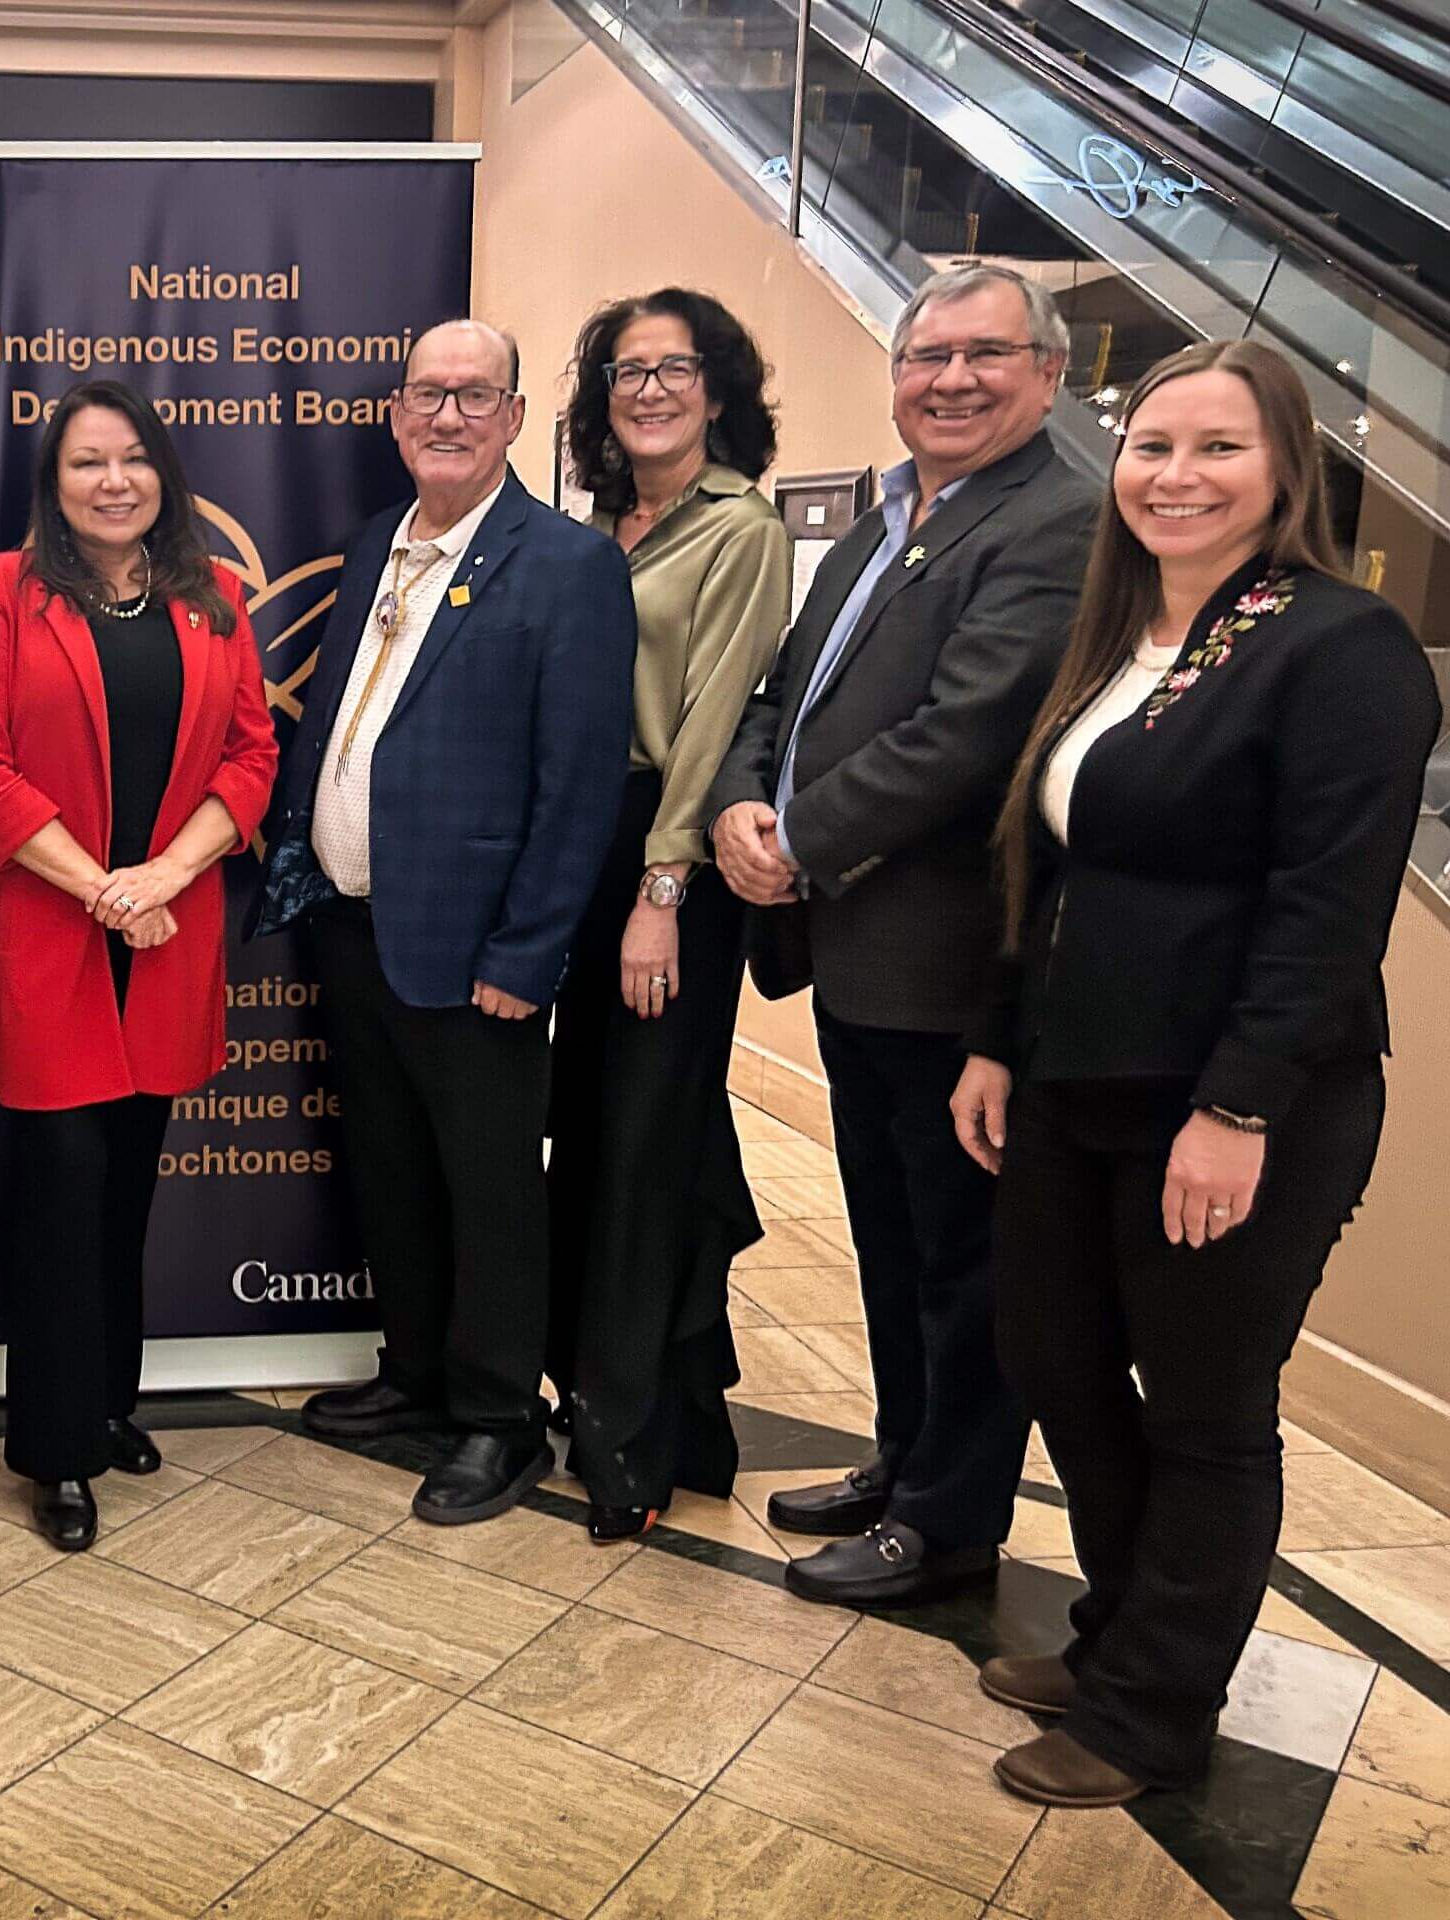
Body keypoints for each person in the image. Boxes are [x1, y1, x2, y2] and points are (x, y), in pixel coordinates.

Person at [950, 341, 1437, 1807]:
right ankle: (1120, 1635)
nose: (1178, 476)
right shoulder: (1117, 637)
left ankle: (1155, 1710)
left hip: (1235, 1104)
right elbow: (1046, 860)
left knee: (1207, 1405)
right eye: (1155, 447)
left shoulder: (1339, 646)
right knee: (1054, 1358)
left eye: (1218, 449)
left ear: (1286, 468)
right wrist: (996, 1035)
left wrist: (1236, 1110)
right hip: (1076, 1078)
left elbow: (1326, 907)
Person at [705, 263, 1099, 1606]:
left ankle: (947, 1519)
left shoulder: (1056, 524)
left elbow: (966, 739)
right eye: (925, 357)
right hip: (859, 953)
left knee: (961, 1257)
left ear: (1050, 372)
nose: (949, 380)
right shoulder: (891, 515)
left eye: (985, 355)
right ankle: (903, 1454)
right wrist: (742, 803)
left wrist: (797, 838)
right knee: (887, 1234)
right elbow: (787, 689)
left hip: (947, 965)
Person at [254, 319, 635, 1526]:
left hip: (478, 956)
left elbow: (578, 785)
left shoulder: (566, 564)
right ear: (395, 412)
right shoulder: (381, 541)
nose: (447, 416)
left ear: (518, 416)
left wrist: (528, 955)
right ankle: (416, 1372)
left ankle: (495, 1418)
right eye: (426, 394)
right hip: (356, 926)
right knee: (392, 1171)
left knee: (486, 1190)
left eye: (475, 395)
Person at [0, 379, 277, 1551]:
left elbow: (250, 759)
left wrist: (165, 881)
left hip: (167, 936)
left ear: (162, 474)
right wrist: (102, 890)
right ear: (53, 483)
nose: (114, 481)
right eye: (87, 462)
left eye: (133, 459)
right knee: (59, 1193)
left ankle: (109, 1400)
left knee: (128, 1184)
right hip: (53, 934)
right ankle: (55, 1445)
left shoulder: (217, 600)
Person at [546, 291, 792, 1542]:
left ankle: (624, 1443)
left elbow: (709, 723)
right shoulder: (602, 523)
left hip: (665, 873)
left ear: (717, 387)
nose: (648, 389)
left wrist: (661, 888)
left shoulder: (739, 527)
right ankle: (693, 1414)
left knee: (643, 1147)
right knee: (625, 1134)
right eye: (626, 370)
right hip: (587, 861)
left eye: (674, 368)